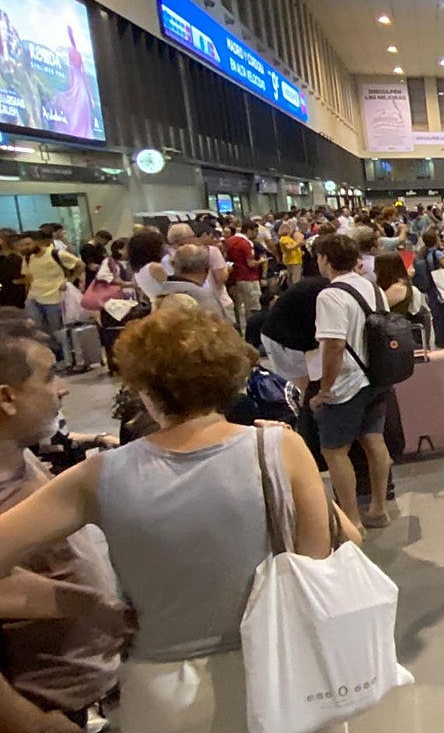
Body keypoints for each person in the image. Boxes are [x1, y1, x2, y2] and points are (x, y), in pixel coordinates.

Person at [0, 306, 360, 733]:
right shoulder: (281, 448)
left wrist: (85, 604)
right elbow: (323, 557)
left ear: (144, 389)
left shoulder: (98, 477)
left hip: (165, 689)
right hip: (281, 669)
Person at [0, 332, 128, 732]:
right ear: (7, 398)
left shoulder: (20, 454)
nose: (63, 388)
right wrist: (31, 722)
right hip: (45, 707)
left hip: (84, 694)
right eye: (49, 376)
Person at [308, 234, 395, 533]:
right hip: (376, 376)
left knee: (335, 451)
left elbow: (333, 345)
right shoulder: (372, 287)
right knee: (373, 440)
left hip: (347, 383)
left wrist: (324, 390)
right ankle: (379, 508)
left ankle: (351, 521)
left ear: (325, 260)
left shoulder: (330, 296)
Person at [260, 273, 330, 392]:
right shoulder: (328, 292)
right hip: (284, 339)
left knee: (308, 382)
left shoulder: (325, 287)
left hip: (296, 335)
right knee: (297, 387)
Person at [20, 231, 82, 363]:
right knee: (38, 330)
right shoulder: (28, 258)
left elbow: (80, 265)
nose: (25, 248)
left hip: (54, 297)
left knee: (57, 330)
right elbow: (28, 277)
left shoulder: (56, 254)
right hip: (34, 297)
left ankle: (65, 358)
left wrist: (69, 280)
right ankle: (50, 357)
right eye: (22, 245)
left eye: (28, 244)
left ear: (37, 241)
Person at [376, 251, 431, 348]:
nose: (374, 271)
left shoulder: (397, 289)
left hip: (393, 335)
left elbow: (378, 309)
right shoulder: (402, 285)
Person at [158, 244, 225, 316]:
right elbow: (219, 322)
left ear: (174, 265)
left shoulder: (161, 294)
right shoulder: (205, 298)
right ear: (206, 269)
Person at [226, 221, 265, 333]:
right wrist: (261, 261)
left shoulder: (230, 240)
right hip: (249, 278)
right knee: (253, 307)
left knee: (240, 308)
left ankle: (243, 331)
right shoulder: (246, 243)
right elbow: (251, 263)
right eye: (255, 231)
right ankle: (253, 331)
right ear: (248, 230)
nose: (256, 234)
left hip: (236, 277)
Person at [277, 220, 304, 286]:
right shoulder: (284, 238)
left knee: (291, 275)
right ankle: (296, 288)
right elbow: (289, 247)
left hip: (293, 259)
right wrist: (298, 244)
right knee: (295, 276)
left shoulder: (288, 238)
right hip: (293, 260)